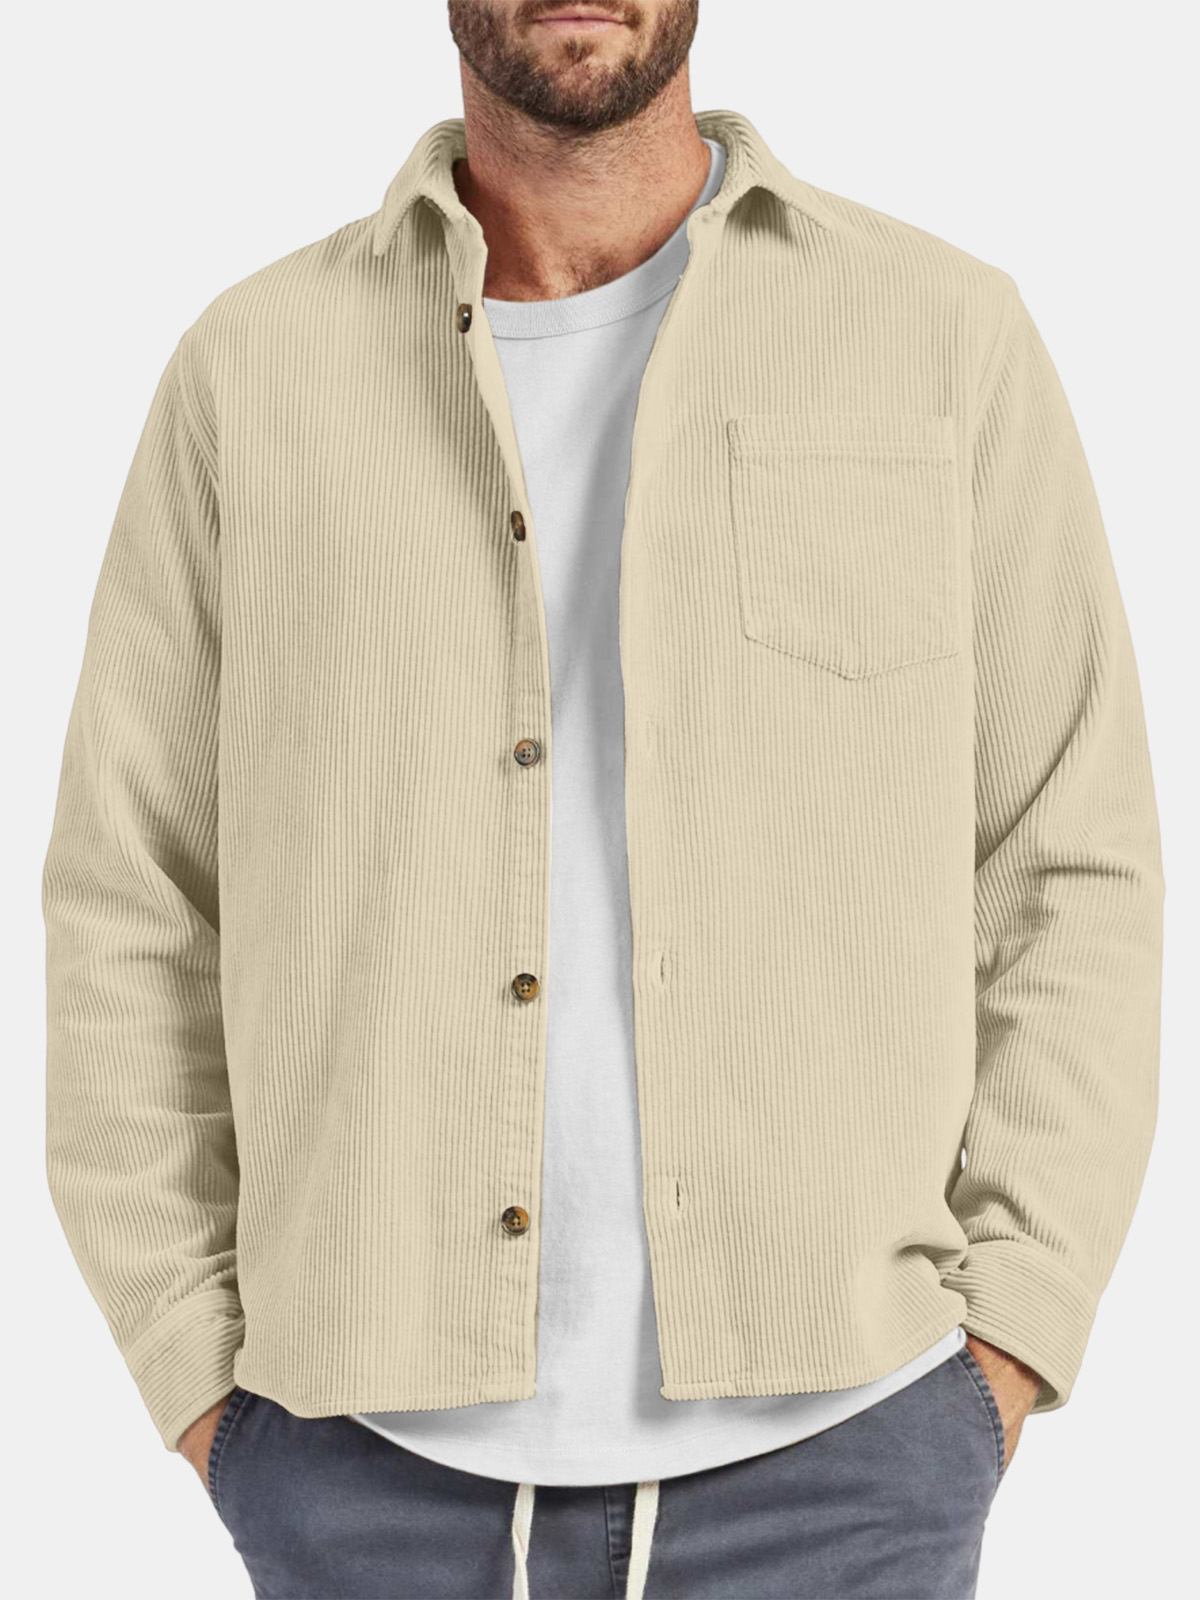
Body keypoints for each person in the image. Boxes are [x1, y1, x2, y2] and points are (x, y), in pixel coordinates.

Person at [42, 3, 1164, 1597]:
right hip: (360, 1472)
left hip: (849, 1454)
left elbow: (1070, 855)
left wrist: (1011, 1338)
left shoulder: (940, 335)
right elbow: (132, 893)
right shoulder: (254, 368)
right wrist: (196, 1367)